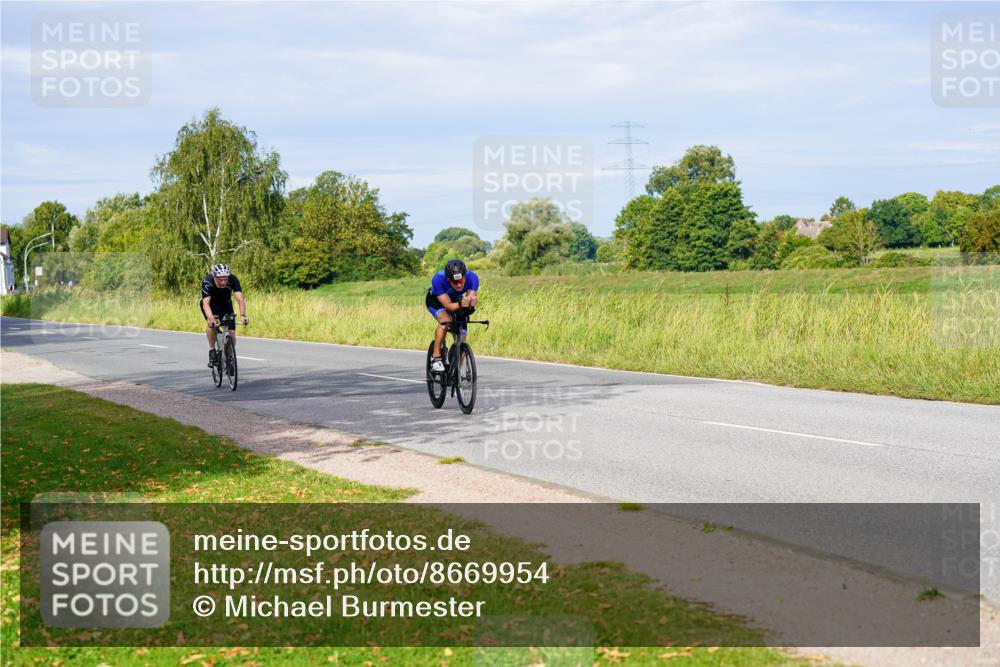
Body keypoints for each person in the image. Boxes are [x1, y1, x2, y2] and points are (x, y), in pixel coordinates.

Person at [425, 259, 479, 372]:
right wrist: (460, 303)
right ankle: (436, 357)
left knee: (462, 338)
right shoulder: (438, 279)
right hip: (437, 300)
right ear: (448, 279)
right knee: (446, 321)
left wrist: (471, 303)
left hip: (456, 300)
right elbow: (448, 306)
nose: (459, 285)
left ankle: (455, 372)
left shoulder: (473, 278)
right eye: (455, 282)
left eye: (461, 281)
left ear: (464, 276)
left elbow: (468, 300)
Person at [200, 264, 248, 367]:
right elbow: (206, 304)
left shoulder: (233, 279)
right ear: (215, 277)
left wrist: (243, 315)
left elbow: (240, 299)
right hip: (210, 305)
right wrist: (211, 318)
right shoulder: (207, 281)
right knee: (211, 325)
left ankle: (230, 356)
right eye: (220, 280)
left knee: (231, 332)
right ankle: (212, 350)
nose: (223, 282)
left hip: (226, 305)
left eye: (225, 279)